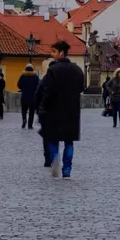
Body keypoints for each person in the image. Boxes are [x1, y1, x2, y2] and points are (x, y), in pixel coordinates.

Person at [37, 40, 85, 179]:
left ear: (61, 53)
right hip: (72, 111)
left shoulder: (53, 70)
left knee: (53, 139)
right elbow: (81, 88)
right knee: (69, 141)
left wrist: (43, 107)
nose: (52, 55)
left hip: (55, 109)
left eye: (54, 52)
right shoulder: (77, 70)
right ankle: (67, 170)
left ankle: (55, 160)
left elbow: (47, 90)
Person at [17, 64, 40, 129]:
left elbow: (18, 85)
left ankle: (24, 120)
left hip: (24, 96)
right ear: (32, 68)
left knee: (24, 110)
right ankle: (30, 125)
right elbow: (38, 86)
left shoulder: (23, 76)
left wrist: (23, 88)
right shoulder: (35, 77)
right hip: (32, 97)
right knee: (31, 112)